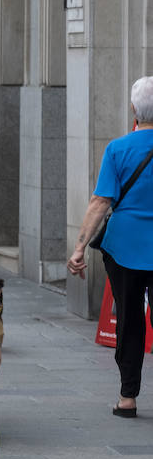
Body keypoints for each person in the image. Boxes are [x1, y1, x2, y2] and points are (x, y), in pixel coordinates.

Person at [68, 76, 153, 418]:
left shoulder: (118, 149)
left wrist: (79, 248)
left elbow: (100, 202)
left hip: (124, 246)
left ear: (134, 110)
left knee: (129, 320)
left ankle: (128, 398)